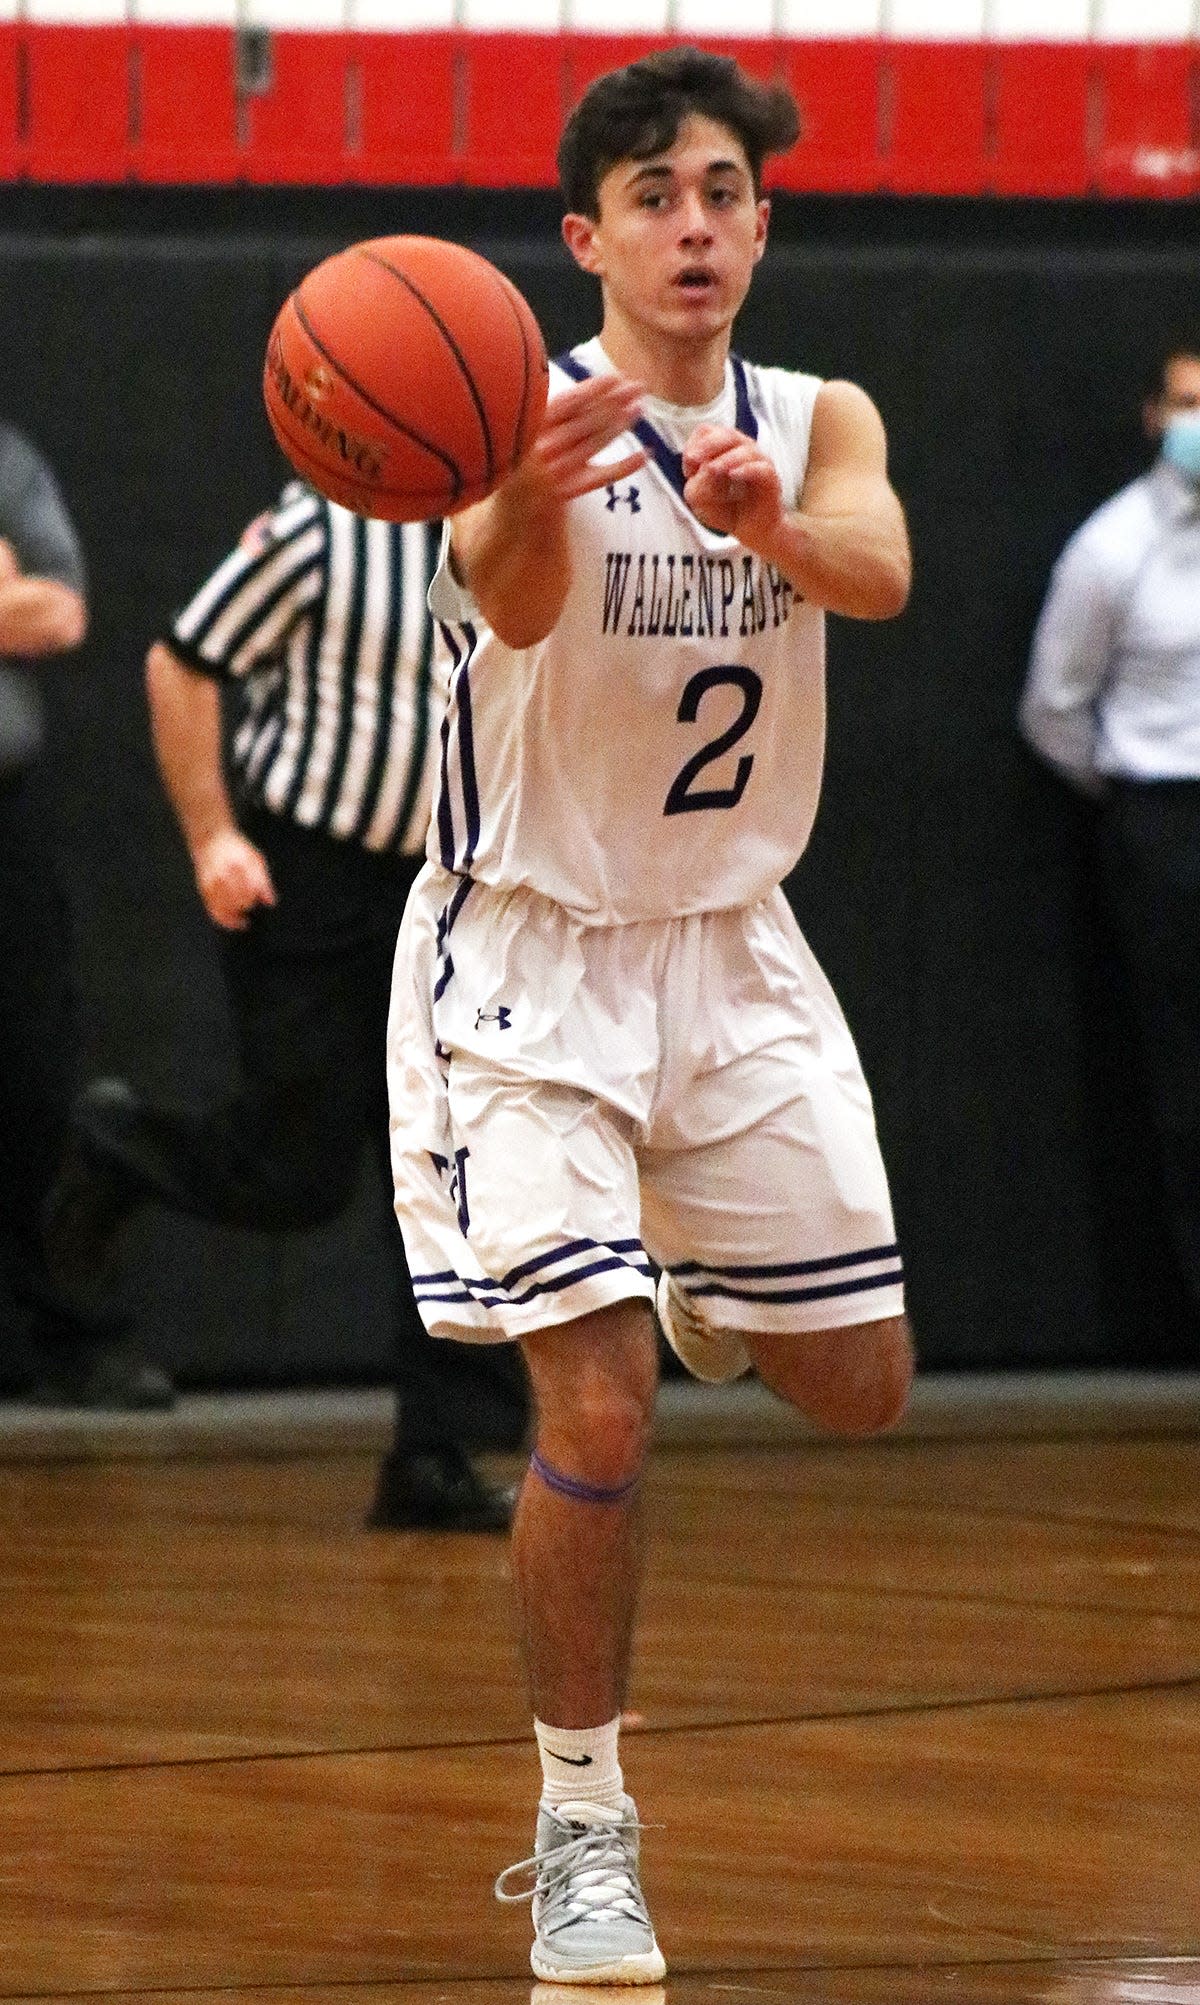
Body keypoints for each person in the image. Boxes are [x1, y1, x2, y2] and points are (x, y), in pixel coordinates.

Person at [386, 47, 915, 1984]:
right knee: (592, 1412)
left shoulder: (819, 412)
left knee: (864, 1389)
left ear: (760, 227)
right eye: (653, 197)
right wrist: (531, 488)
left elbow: (881, 572)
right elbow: (509, 605)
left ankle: (698, 1283)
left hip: (733, 953)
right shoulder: (503, 413)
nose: (692, 225)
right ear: (583, 238)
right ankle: (585, 1820)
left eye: (721, 193)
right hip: (531, 962)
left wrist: (771, 521)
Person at [46, 478, 527, 1526]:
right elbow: (179, 661)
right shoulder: (321, 527)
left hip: (451, 891)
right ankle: (119, 1143)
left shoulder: (520, 526)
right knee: (299, 1174)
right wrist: (214, 834)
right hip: (311, 878)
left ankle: (432, 1457)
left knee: (458, 1173)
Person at [1020, 338, 1200, 1331]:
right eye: (1185, 401)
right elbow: (1055, 708)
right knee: (1187, 1078)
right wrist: (1138, 798)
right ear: (1153, 416)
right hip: (1164, 819)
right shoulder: (1113, 545)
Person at [0, 421, 174, 1410]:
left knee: (34, 1077)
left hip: (6, 821)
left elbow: (58, 616)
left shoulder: (8, 459)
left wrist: (23, 595)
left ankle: (75, 1334)